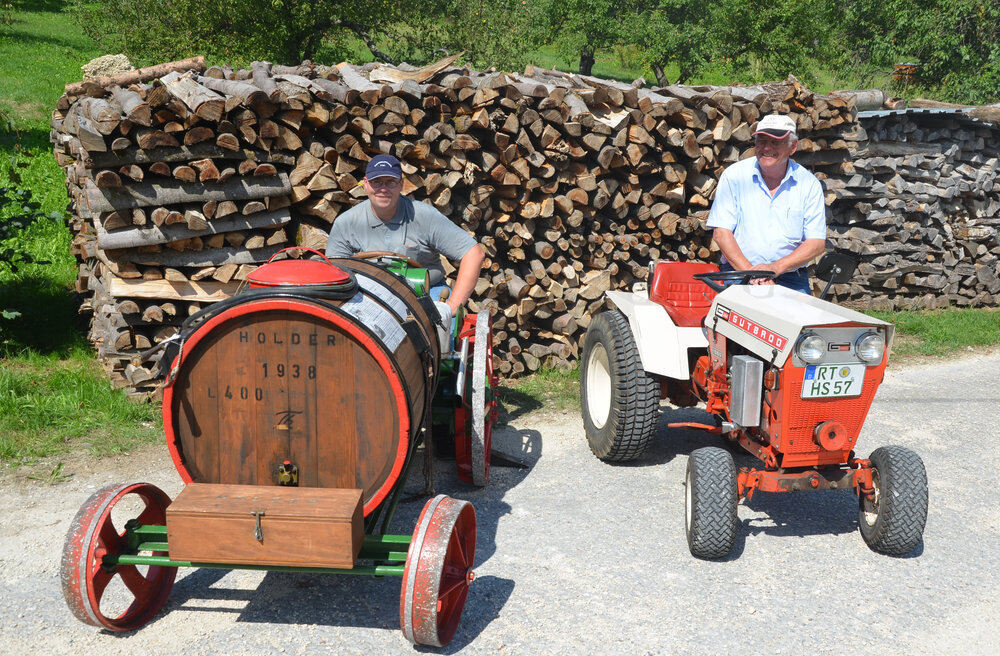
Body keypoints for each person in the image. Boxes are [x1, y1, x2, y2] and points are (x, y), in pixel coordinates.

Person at [325, 154, 485, 331]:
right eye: (377, 182)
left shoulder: (424, 216)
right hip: (368, 295)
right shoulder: (346, 223)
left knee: (444, 331)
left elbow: (474, 253)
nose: (383, 189)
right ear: (366, 184)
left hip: (425, 292)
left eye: (390, 182)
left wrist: (452, 307)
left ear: (401, 184)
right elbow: (333, 275)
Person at [705, 113, 827, 294]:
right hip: (738, 273)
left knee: (799, 321)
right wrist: (750, 274)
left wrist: (776, 268)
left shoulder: (808, 184)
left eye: (775, 142)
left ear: (793, 147)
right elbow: (721, 233)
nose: (766, 148)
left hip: (789, 277)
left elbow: (816, 243)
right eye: (761, 141)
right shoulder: (735, 176)